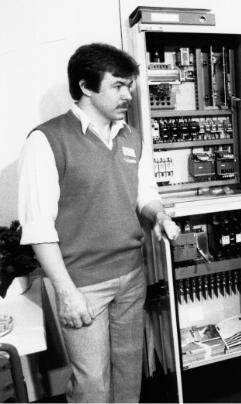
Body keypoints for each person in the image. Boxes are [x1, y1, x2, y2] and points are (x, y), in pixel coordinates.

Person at [18, 43, 181, 403]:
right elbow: (38, 227)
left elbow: (144, 194)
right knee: (92, 384)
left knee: (128, 373)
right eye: (118, 86)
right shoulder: (46, 141)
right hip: (83, 285)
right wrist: (66, 293)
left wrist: (159, 215)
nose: (128, 95)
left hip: (131, 276)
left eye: (130, 86)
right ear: (86, 87)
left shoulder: (131, 136)